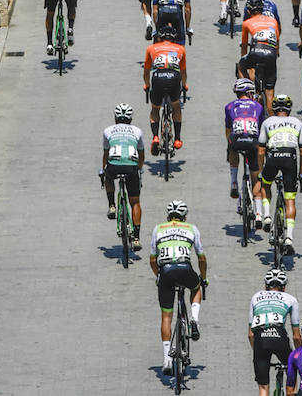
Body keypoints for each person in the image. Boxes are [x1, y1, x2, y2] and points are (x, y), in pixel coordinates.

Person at [150, 200, 207, 372]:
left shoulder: (158, 229)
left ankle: (167, 359)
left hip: (166, 271)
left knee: (166, 317)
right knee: (196, 287)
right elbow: (201, 258)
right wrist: (203, 278)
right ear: (185, 216)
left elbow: (153, 260)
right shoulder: (191, 228)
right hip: (185, 269)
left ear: (168, 216)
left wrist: (159, 275)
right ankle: (194, 320)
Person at [257, 94, 302, 253]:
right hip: (290, 158)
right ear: (289, 109)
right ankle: (289, 238)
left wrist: (260, 170)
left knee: (265, 182)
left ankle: (266, 216)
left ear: (274, 108)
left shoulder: (267, 122)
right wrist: (301, 173)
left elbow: (261, 149)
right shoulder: (297, 122)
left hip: (273, 156)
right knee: (290, 200)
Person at [248, 269, 301, 396]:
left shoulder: (256, 297)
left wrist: (257, 352)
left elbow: (250, 334)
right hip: (279, 337)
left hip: (261, 339)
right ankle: (291, 392)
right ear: (284, 287)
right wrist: (300, 356)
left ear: (266, 286)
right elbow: (296, 336)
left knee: (263, 387)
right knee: (292, 367)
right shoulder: (291, 299)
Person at [101, 103, 145, 245]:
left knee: (107, 175)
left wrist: (104, 170)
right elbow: (141, 154)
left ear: (115, 118)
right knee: (135, 202)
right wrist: (139, 168)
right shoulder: (137, 131)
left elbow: (106, 154)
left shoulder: (108, 130)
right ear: (131, 118)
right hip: (131, 167)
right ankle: (136, 238)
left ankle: (112, 205)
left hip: (114, 166)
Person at [144, 23, 188, 153]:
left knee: (155, 109)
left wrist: (147, 85)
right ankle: (178, 138)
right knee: (176, 106)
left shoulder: (151, 48)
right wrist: (184, 85)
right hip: (174, 77)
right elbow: (183, 72)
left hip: (158, 76)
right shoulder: (180, 49)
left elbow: (146, 72)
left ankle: (156, 137)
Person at [225, 76, 265, 211]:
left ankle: (234, 182)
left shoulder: (229, 106)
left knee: (232, 147)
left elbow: (228, 130)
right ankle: (259, 213)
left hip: (237, 140)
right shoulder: (258, 106)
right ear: (248, 93)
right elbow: (260, 130)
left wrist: (229, 146)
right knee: (256, 177)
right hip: (253, 142)